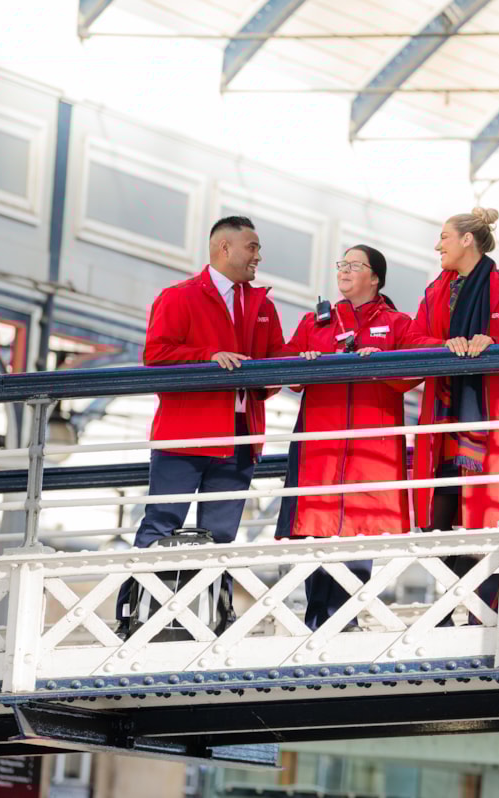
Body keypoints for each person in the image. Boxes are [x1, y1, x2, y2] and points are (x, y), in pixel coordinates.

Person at [116, 215, 288, 637]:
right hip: (186, 432)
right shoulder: (179, 297)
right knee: (161, 525)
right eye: (252, 246)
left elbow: (275, 361)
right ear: (223, 248)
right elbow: (156, 354)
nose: (258, 256)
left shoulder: (262, 304)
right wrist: (210, 355)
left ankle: (210, 623)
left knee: (222, 536)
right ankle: (133, 620)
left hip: (240, 435)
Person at [275, 245, 418, 631]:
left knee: (360, 533)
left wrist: (386, 363)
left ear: (375, 277)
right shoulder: (314, 323)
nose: (344, 270)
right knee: (315, 531)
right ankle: (316, 622)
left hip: (370, 450)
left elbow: (422, 362)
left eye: (355, 265)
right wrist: (300, 364)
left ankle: (347, 622)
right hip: (319, 447)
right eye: (342, 264)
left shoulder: (400, 324)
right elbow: (285, 370)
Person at [408, 207, 499, 539]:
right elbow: (411, 341)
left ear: (467, 239)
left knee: (487, 529)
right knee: (434, 529)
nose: (438, 247)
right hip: (443, 425)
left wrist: (495, 343)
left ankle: (477, 591)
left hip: (489, 426)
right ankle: (459, 591)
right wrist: (444, 345)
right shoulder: (435, 291)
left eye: (443, 237)